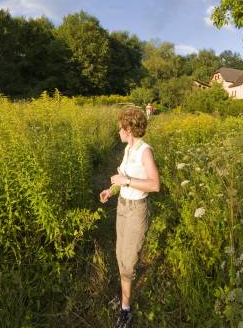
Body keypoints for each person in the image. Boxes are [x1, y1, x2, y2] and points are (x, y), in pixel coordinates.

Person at [99, 106, 160, 328]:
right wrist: (111, 190)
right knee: (119, 255)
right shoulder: (128, 150)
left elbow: (155, 184)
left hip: (136, 210)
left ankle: (126, 310)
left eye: (120, 129)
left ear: (129, 129)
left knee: (129, 264)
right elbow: (123, 179)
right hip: (122, 207)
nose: (118, 132)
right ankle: (123, 293)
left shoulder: (145, 151)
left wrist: (125, 182)